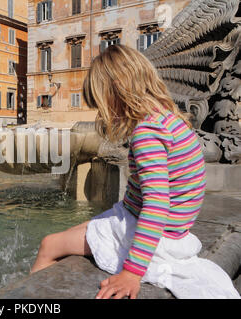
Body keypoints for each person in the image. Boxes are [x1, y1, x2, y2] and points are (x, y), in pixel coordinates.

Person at [30, 45, 240, 299]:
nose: (103, 114)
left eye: (101, 103)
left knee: (49, 245)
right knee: (86, 226)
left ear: (118, 89)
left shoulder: (147, 134)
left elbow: (156, 204)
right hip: (169, 229)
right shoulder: (170, 121)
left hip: (153, 234)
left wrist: (132, 272)